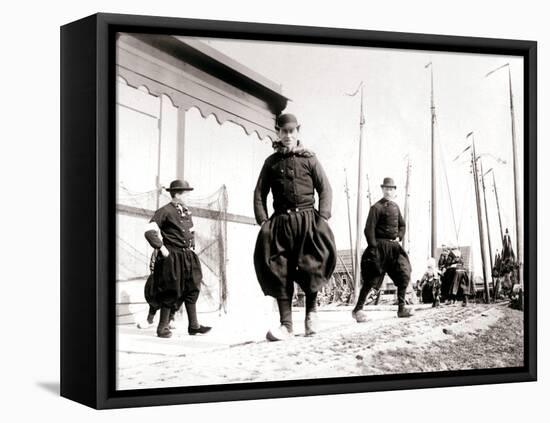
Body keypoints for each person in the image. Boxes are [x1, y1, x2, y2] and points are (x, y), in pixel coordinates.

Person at [253, 113, 337, 341]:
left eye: (291, 131)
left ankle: (311, 316)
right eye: (283, 131)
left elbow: (325, 189)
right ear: (277, 133)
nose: (288, 136)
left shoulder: (310, 159)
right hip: (280, 224)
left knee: (311, 266)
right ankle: (286, 325)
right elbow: (260, 193)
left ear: (297, 132)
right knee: (280, 270)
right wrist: (263, 221)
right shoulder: (271, 162)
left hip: (308, 221)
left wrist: (324, 217)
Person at [143, 179, 212, 338]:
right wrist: (161, 248)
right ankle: (162, 328)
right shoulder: (165, 211)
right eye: (187, 193)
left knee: (192, 286)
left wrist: (192, 248)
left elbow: (190, 232)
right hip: (172, 257)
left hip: (188, 256)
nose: (188, 196)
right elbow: (149, 230)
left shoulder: (186, 211)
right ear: (179, 194)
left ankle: (194, 326)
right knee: (171, 290)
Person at [352, 177, 414, 322]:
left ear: (394, 191)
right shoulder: (376, 207)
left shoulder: (396, 207)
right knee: (371, 279)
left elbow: (402, 225)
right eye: (386, 188)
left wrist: (399, 236)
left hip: (394, 248)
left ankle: (401, 308)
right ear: (382, 190)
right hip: (379, 247)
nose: (388, 191)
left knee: (403, 273)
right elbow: (369, 229)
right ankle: (358, 310)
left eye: (391, 189)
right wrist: (373, 248)